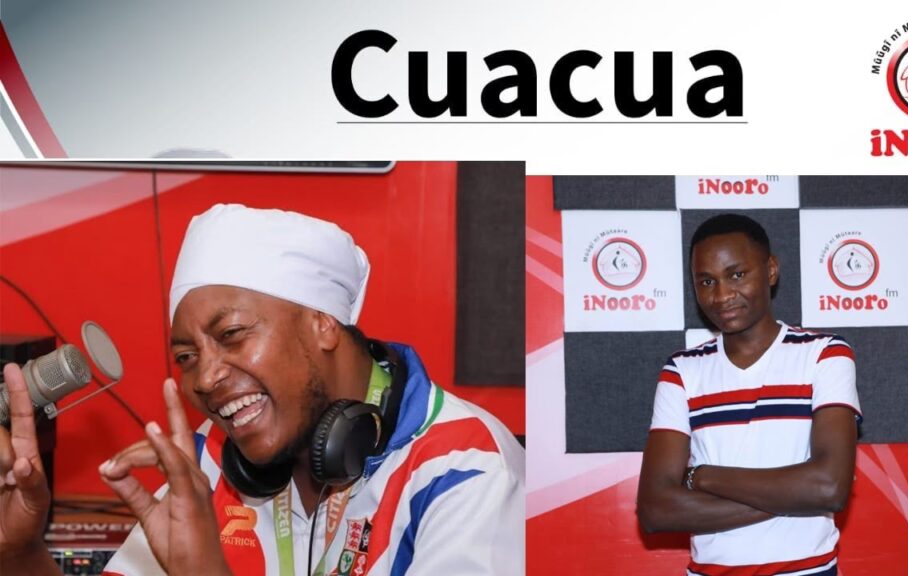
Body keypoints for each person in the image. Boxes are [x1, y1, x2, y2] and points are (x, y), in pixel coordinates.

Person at [0, 204, 524, 576]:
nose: (205, 378)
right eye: (186, 357)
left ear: (323, 322)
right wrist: (19, 554)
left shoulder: (465, 468)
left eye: (231, 334)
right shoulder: (212, 460)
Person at [636, 213, 861, 576]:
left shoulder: (824, 354)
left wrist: (701, 477)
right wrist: (796, 495)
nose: (722, 295)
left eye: (737, 275)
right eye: (706, 281)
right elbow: (655, 510)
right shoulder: (682, 371)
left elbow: (828, 489)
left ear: (770, 270)